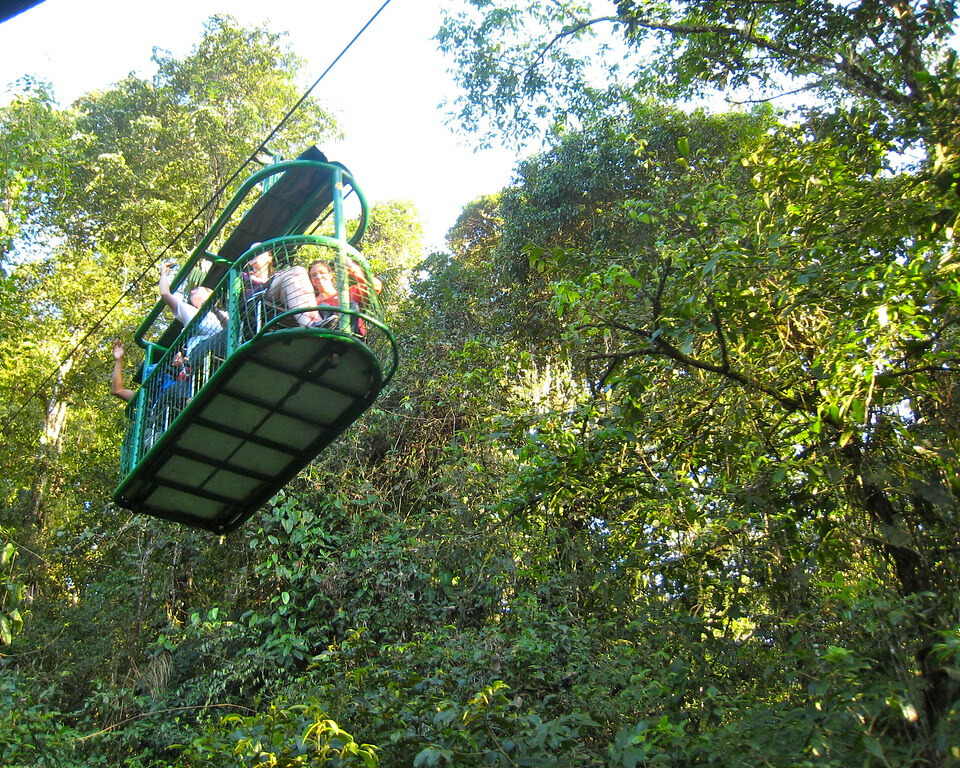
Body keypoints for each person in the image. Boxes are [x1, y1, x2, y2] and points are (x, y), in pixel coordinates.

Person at [243, 246, 324, 327]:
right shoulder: (245, 277)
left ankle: (311, 323)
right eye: (253, 251)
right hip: (260, 298)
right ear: (250, 261)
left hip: (281, 299)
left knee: (291, 280)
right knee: (299, 270)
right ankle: (316, 320)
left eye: (259, 250)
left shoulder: (278, 274)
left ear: (269, 258)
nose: (255, 253)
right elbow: (247, 298)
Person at [308, 258, 383, 335]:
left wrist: (352, 268)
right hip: (326, 338)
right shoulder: (312, 302)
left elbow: (375, 285)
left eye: (322, 272)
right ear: (311, 281)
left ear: (330, 274)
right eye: (314, 275)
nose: (318, 277)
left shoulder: (347, 294)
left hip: (351, 336)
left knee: (352, 305)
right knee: (323, 307)